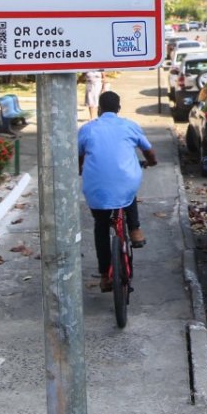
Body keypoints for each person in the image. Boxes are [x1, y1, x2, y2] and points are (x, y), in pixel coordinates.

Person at [78, 90, 157, 292]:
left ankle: (105, 275)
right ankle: (135, 230)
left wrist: (80, 169)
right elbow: (148, 150)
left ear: (100, 109)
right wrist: (151, 162)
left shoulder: (87, 129)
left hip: (97, 187)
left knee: (101, 226)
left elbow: (79, 155)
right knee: (128, 192)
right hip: (125, 183)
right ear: (119, 108)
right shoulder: (129, 125)